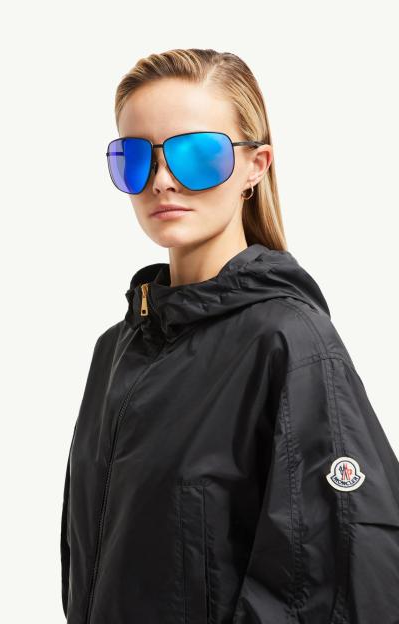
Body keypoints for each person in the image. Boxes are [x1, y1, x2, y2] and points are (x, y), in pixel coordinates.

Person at [60, 48, 399, 624]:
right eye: (135, 158)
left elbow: (347, 580)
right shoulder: (114, 351)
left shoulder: (290, 343)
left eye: (197, 154)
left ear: (255, 166)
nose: (162, 180)